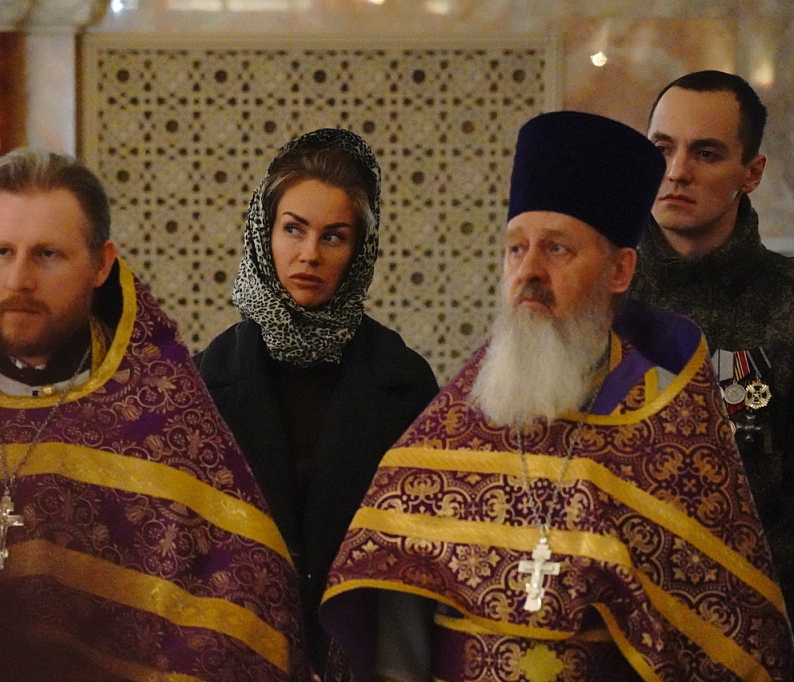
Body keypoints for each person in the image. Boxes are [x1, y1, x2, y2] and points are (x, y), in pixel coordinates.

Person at [319, 112, 794, 681]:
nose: (529, 271)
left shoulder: (671, 425)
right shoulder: (449, 428)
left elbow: (719, 641)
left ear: (620, 270)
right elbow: (397, 619)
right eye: (516, 249)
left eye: (557, 249)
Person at [0, 148, 308, 681]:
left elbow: (241, 595)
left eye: (47, 254)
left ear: (101, 264)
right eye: (0, 252)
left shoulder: (161, 417)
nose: (19, 279)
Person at [194, 128, 439, 676]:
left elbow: (423, 559)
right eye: (293, 229)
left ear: (359, 251)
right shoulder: (209, 378)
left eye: (334, 237)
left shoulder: (404, 382)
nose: (309, 254)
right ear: (264, 233)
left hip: (367, 657)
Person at [628, 70, 794, 614]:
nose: (677, 172)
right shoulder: (596, 297)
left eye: (705, 153)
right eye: (661, 149)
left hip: (756, 619)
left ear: (752, 173)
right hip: (612, 616)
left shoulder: (785, 304)